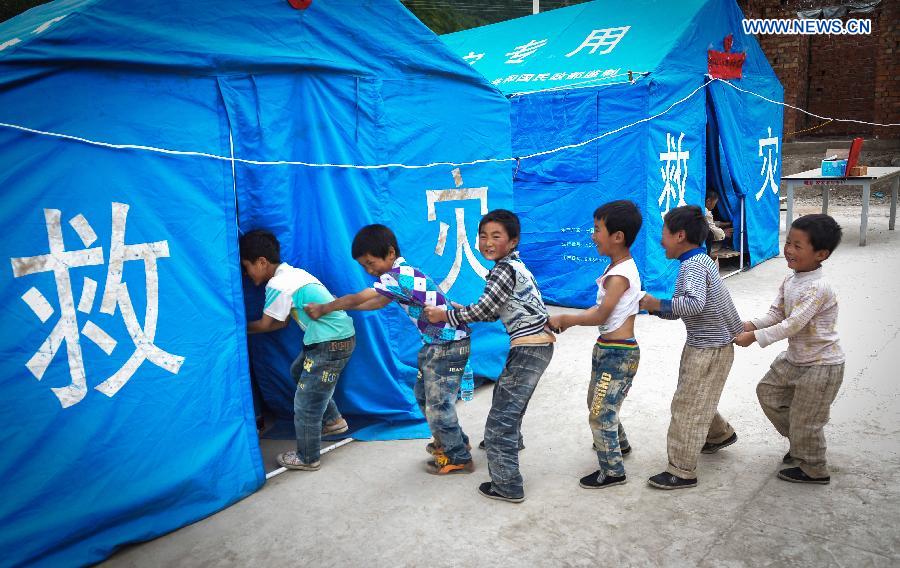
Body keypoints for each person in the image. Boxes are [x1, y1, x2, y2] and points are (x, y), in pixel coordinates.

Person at [304, 224, 474, 475]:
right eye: (364, 266)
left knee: (437, 404)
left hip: (447, 345)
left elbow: (358, 297)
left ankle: (457, 456)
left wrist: (324, 308)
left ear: (390, 253)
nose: (369, 270)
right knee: (424, 397)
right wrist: (345, 309)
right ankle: (454, 441)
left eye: (371, 263)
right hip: (438, 344)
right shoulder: (402, 276)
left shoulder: (397, 276)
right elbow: (375, 303)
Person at [425, 209, 554, 504]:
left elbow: (484, 311)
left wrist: (445, 314)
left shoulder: (502, 270)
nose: (487, 242)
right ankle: (514, 439)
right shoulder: (514, 266)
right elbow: (494, 307)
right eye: (483, 236)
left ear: (513, 241)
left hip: (529, 348)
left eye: (496, 236)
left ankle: (507, 485)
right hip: (537, 345)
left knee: (499, 423)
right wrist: (458, 309)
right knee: (507, 399)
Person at [734, 214, 844, 485]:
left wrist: (754, 337)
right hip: (795, 359)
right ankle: (801, 443)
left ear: (821, 254)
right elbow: (776, 314)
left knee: (807, 419)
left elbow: (791, 325)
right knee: (768, 392)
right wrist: (748, 323)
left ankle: (814, 468)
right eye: (788, 242)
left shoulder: (818, 288)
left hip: (821, 366)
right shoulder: (791, 281)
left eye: (797, 245)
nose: (789, 250)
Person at [639, 205, 743, 489]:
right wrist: (656, 308)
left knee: (687, 405)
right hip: (708, 344)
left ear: (680, 235)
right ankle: (719, 435)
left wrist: (657, 303)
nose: (661, 241)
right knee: (697, 397)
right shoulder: (702, 260)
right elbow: (695, 306)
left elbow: (694, 304)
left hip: (709, 348)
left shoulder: (693, 266)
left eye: (664, 234)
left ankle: (682, 470)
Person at [240, 229, 355, 472]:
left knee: (306, 403)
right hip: (337, 338)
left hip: (327, 343)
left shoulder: (278, 283)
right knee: (298, 370)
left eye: (247, 266)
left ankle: (307, 457)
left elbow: (266, 324)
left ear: (261, 262)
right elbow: (280, 322)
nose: (247, 274)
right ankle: (333, 420)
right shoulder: (295, 274)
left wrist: (236, 330)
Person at [548, 200, 644, 490]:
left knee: (601, 413)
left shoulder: (619, 275)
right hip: (607, 348)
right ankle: (619, 445)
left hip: (619, 353)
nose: (592, 235)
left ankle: (613, 471)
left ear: (618, 237)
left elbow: (601, 314)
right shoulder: (616, 266)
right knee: (600, 403)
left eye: (597, 229)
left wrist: (567, 318)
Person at [704, 191, 733, 256]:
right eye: (715, 203)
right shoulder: (705, 211)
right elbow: (711, 227)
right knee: (710, 234)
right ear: (708, 201)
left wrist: (726, 224)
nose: (714, 206)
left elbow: (710, 222)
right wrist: (724, 233)